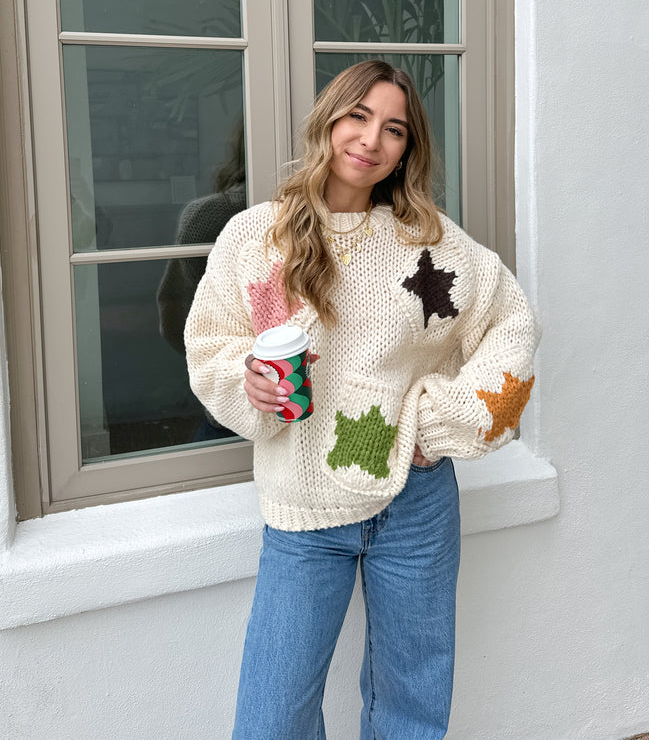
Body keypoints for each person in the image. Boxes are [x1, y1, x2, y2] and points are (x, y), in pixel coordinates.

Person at [184, 61, 539, 739]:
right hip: (304, 506)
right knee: (271, 719)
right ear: (329, 118)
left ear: (409, 148)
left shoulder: (428, 242)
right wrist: (249, 382)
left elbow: (512, 324)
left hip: (417, 504)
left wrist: (443, 420)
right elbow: (210, 347)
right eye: (358, 116)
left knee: (412, 705)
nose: (372, 139)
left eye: (394, 129)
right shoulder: (258, 237)